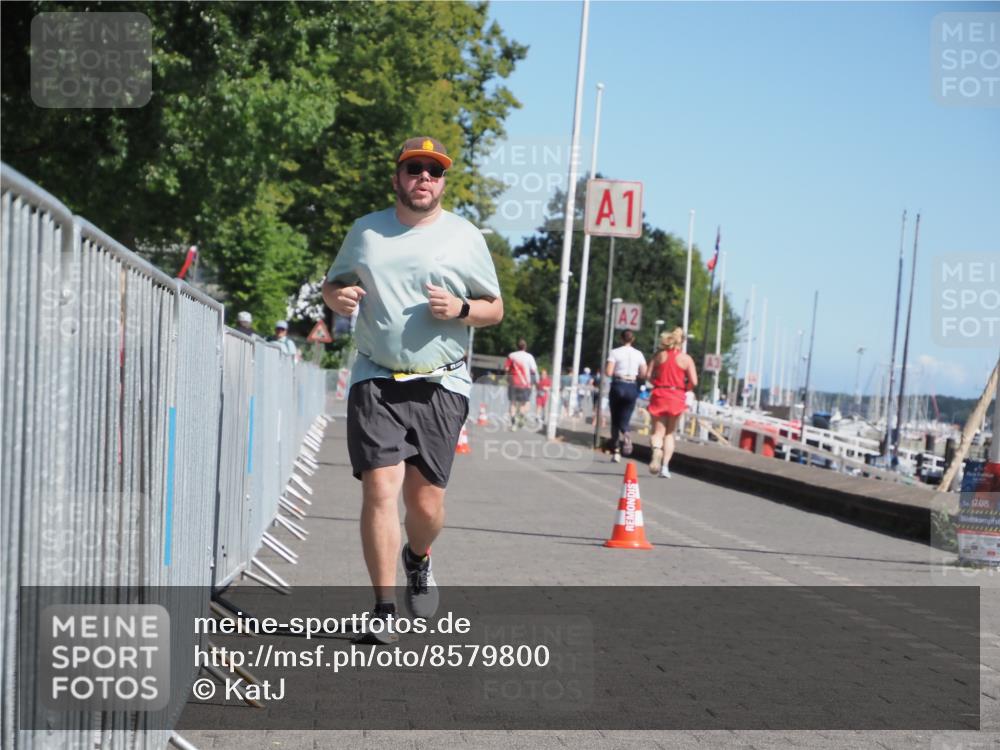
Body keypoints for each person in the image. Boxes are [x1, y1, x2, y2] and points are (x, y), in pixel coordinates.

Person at [322, 136, 503, 643]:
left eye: (434, 171)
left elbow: (494, 308)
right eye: (414, 168)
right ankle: (383, 609)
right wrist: (340, 297)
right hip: (375, 377)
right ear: (397, 178)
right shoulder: (366, 231)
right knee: (380, 489)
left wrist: (461, 309)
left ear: (442, 182)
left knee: (425, 507)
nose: (424, 177)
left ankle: (418, 558)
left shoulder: (465, 236)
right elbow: (332, 285)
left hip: (441, 382)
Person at [647, 327, 698, 478]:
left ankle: (657, 450)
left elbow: (648, 375)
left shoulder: (659, 356)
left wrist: (656, 383)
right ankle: (665, 467)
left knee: (657, 432)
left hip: (660, 393)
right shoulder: (686, 359)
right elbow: (694, 381)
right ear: (682, 342)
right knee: (670, 433)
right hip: (676, 395)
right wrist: (686, 388)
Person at [605, 330, 647, 462]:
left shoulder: (614, 352)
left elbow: (608, 372)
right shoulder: (639, 354)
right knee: (625, 419)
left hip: (618, 385)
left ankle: (616, 451)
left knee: (615, 420)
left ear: (621, 339)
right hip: (632, 386)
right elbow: (644, 373)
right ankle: (627, 432)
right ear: (633, 339)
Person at [505, 339, 538, 430]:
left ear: (517, 346)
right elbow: (533, 370)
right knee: (525, 403)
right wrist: (533, 382)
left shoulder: (511, 356)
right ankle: (521, 417)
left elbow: (506, 368)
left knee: (512, 403)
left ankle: (513, 423)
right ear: (525, 347)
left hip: (513, 383)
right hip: (525, 384)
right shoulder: (529, 356)